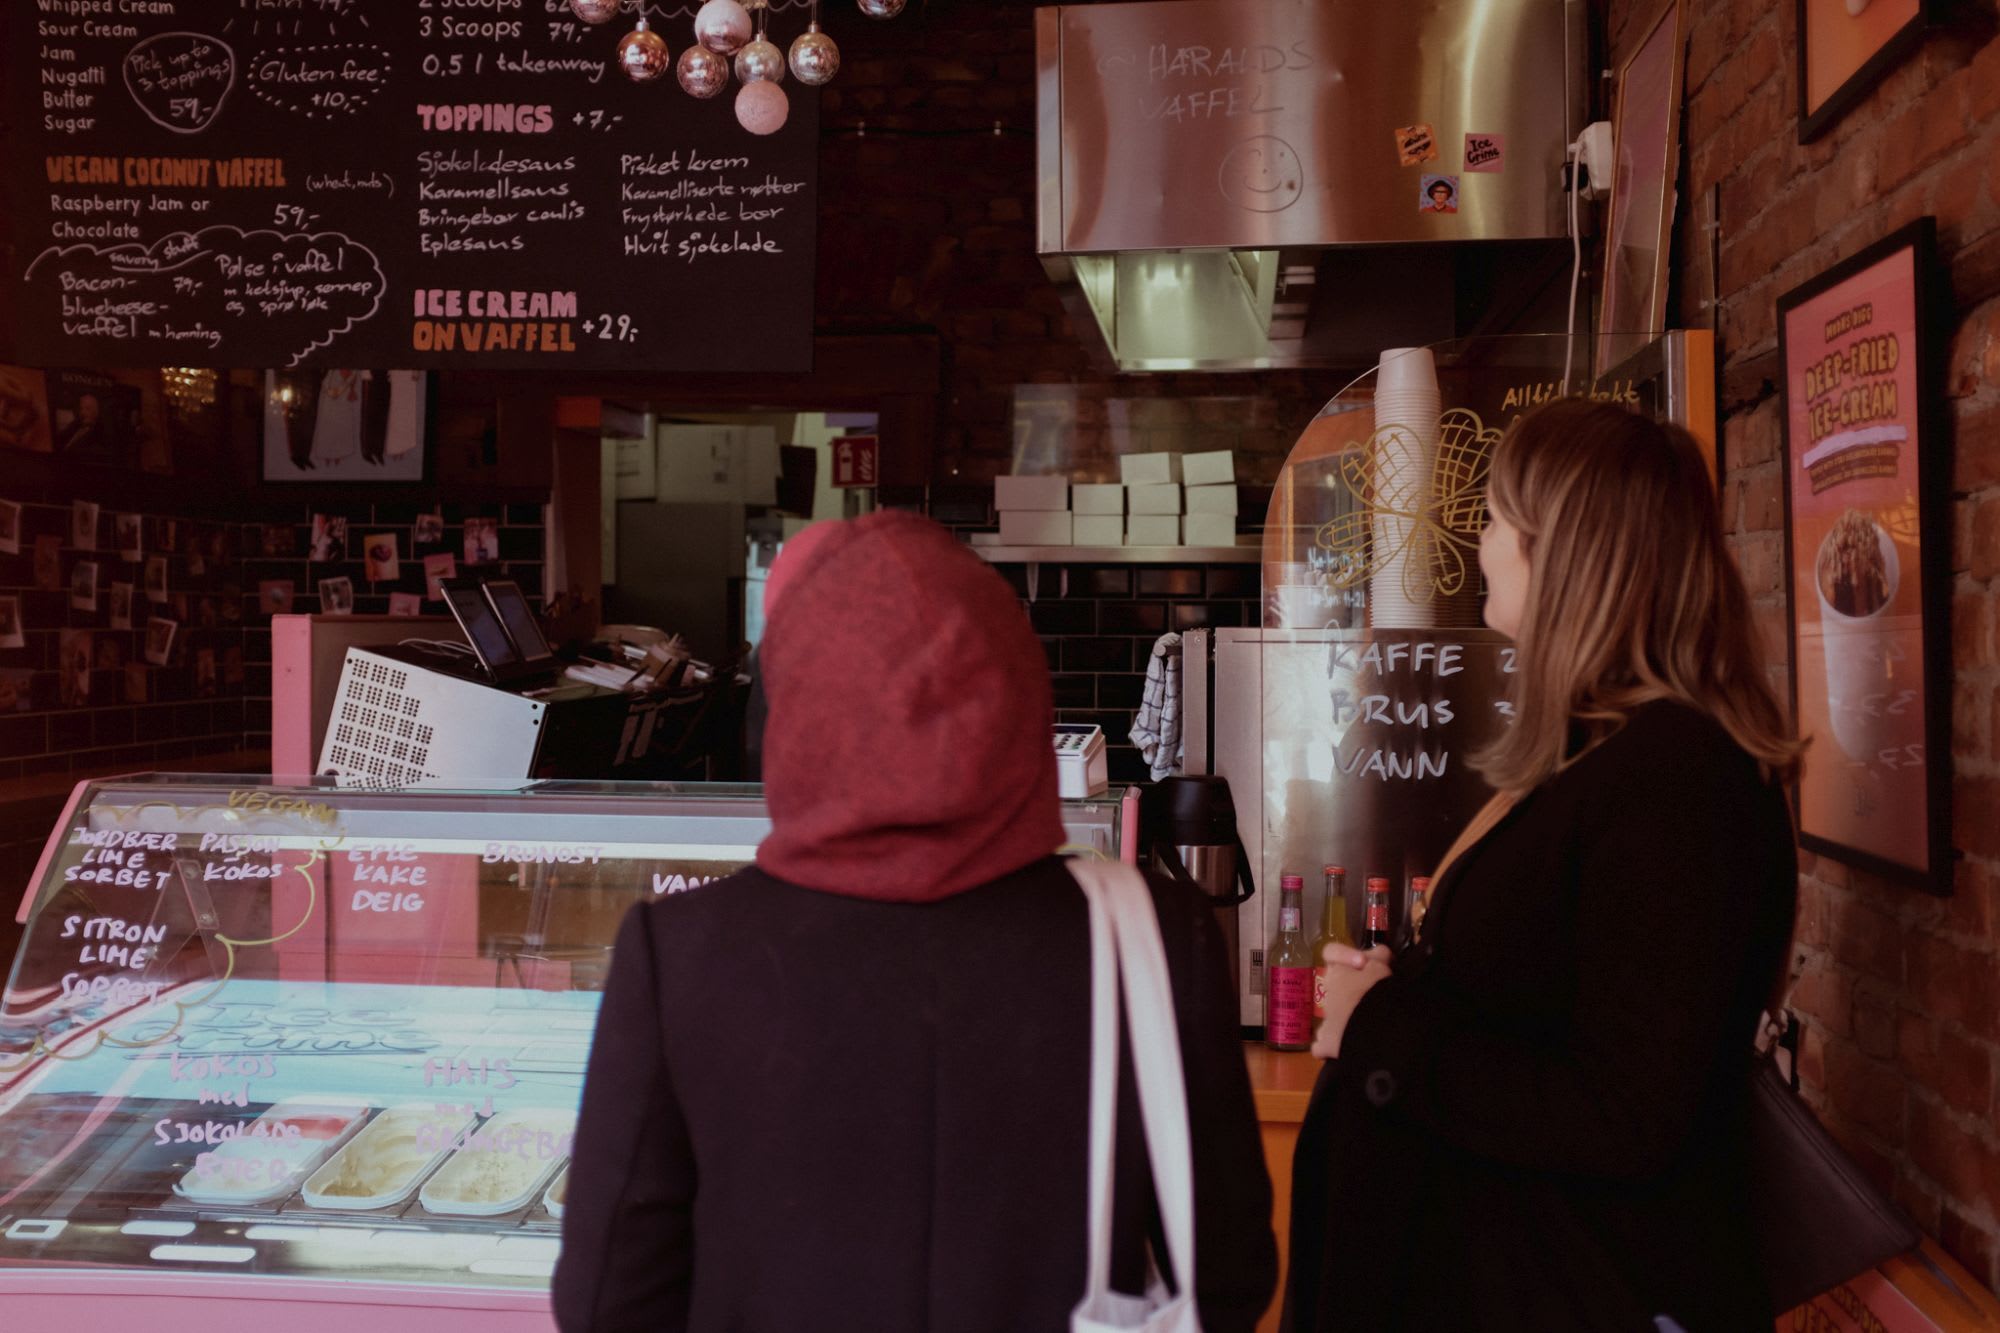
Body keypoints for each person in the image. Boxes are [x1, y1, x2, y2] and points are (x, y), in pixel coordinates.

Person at [554, 510, 1276, 1333]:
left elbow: (608, 1301)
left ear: (793, 711)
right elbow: (1229, 1269)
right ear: (1016, 690)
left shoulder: (677, 955)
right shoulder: (1152, 938)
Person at [1286, 400, 1802, 1333]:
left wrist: (1389, 1029)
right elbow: (1547, 1007)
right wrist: (1404, 993)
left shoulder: (1679, 782)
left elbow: (1626, 1113)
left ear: (1564, 550)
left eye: (1493, 520)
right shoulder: (1608, 758)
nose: (1480, 545)